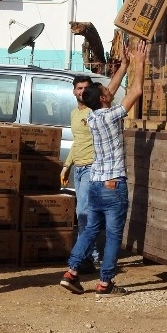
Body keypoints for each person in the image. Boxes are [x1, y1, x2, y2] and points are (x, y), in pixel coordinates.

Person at [59, 40, 147, 297]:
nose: (109, 92)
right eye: (105, 92)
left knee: (90, 229)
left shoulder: (92, 115)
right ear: (102, 99)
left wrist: (124, 65)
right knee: (112, 236)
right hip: (113, 184)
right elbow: (137, 90)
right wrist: (138, 64)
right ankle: (105, 282)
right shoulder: (111, 115)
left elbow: (108, 90)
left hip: (96, 183)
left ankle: (71, 272)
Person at [59, 56, 131, 273]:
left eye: (85, 88)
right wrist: (67, 165)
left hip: (94, 168)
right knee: (84, 217)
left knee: (86, 215)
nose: (81, 91)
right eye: (78, 88)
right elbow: (77, 142)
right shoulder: (75, 114)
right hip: (80, 168)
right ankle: (87, 260)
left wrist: (125, 67)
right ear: (73, 91)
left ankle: (89, 259)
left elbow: (110, 90)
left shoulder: (94, 110)